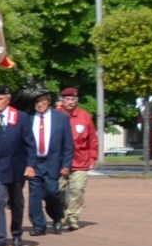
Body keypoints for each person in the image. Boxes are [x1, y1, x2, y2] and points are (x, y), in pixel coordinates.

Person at [24, 90, 73, 233]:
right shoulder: (29, 118)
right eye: (37, 102)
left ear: (49, 101)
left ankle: (57, 217)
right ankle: (39, 225)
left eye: (42, 101)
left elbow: (68, 145)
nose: (40, 105)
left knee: (52, 192)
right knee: (35, 195)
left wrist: (66, 165)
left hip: (52, 162)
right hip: (34, 162)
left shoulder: (61, 118)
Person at [0, 85, 28, 246]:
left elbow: (29, 143)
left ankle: (16, 233)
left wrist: (31, 165)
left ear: (8, 100)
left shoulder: (21, 117)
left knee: (16, 202)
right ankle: (1, 238)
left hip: (16, 167)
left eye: (0, 99)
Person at [60, 87, 98, 230]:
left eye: (73, 99)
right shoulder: (56, 115)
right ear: (62, 100)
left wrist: (92, 158)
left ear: (77, 100)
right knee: (57, 190)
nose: (70, 102)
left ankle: (73, 217)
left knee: (77, 190)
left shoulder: (84, 116)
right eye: (67, 99)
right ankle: (61, 212)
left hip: (80, 161)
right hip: (60, 162)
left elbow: (92, 139)